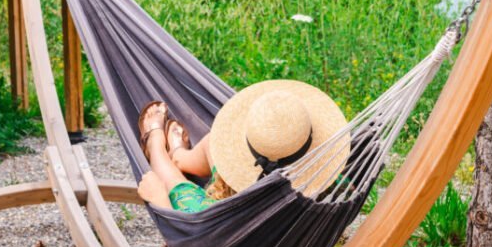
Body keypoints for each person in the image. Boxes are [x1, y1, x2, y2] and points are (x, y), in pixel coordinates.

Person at [136, 79, 349, 213]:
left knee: (176, 184)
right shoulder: (331, 178)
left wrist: (161, 200)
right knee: (213, 142)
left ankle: (156, 146)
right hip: (297, 181)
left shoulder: (212, 219)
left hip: (239, 218)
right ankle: (180, 156)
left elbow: (187, 236)